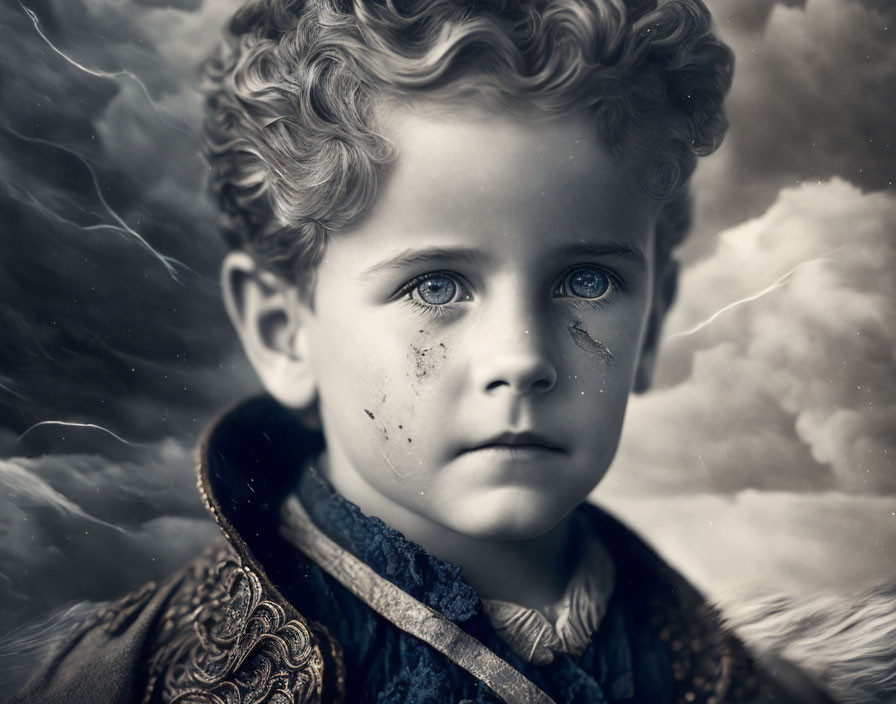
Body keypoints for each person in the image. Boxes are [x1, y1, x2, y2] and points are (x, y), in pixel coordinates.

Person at [8, 0, 837, 702]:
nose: (520, 357)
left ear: (650, 326)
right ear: (283, 332)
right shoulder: (121, 683)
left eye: (587, 281)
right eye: (435, 286)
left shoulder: (762, 686)